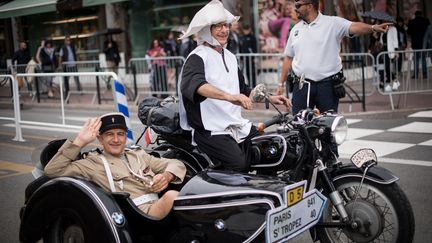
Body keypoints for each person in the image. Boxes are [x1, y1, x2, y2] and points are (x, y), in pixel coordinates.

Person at [178, 0, 291, 172]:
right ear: (205, 31)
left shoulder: (230, 56)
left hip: (236, 125)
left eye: (226, 25)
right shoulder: (197, 57)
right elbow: (197, 86)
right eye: (218, 26)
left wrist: (269, 98)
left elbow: (242, 89)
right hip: (211, 130)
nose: (224, 30)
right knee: (239, 165)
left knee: (271, 151)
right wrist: (230, 97)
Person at [44, 112, 186, 219]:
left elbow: (176, 164)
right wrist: (80, 141)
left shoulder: (138, 154)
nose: (116, 139)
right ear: (100, 138)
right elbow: (53, 171)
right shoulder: (93, 162)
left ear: (125, 137)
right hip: (133, 215)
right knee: (172, 196)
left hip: (156, 205)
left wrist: (166, 176)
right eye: (110, 134)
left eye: (120, 134)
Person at [276, 0, 391, 114]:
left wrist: (373, 28)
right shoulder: (295, 29)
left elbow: (354, 26)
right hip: (301, 86)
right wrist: (281, 84)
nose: (295, 8)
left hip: (327, 86)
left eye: (298, 5)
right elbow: (288, 58)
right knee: (299, 124)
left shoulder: (332, 23)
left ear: (310, 6)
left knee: (327, 126)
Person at [407, 11, 430, 79]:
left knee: (416, 59)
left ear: (415, 15)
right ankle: (425, 74)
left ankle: (416, 75)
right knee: (423, 59)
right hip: (424, 44)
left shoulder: (412, 22)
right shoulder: (426, 21)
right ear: (421, 14)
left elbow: (408, 32)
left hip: (415, 44)